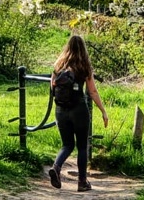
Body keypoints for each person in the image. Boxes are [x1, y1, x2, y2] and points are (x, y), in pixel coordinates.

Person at [48, 35, 108, 192]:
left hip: (61, 110)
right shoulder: (84, 66)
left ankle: (56, 167)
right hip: (79, 110)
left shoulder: (58, 65)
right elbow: (92, 91)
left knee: (67, 145)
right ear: (83, 48)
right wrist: (103, 111)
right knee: (82, 146)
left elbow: (52, 88)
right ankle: (82, 183)